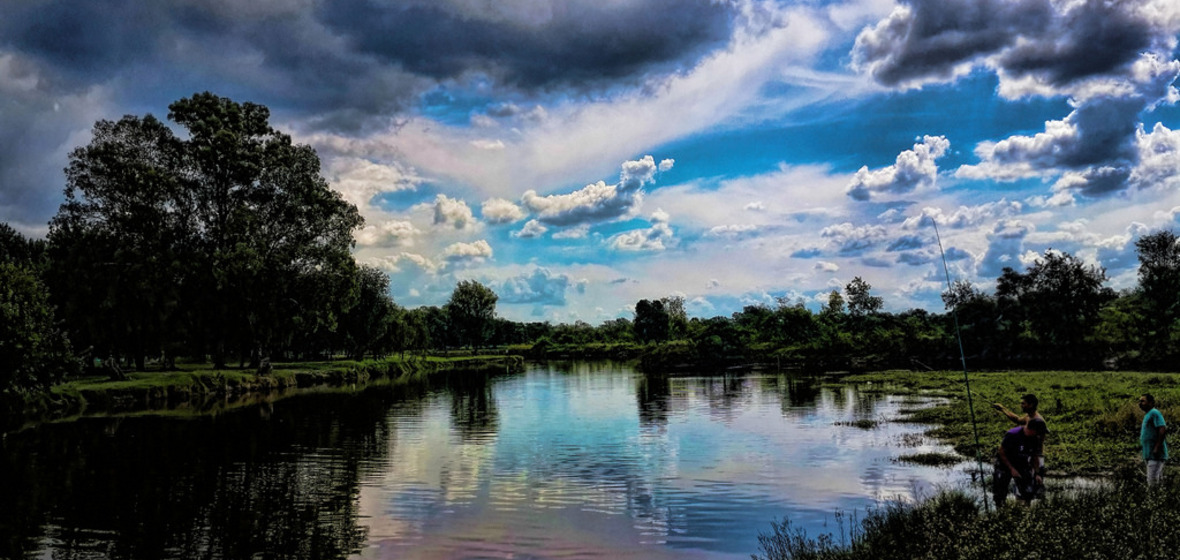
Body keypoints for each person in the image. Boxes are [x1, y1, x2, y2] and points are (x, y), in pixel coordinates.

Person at [993, 417, 1048, 507]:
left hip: (1021, 463)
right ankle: (1001, 511)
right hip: (1005, 464)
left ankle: (1024, 509)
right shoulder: (1012, 434)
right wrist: (1011, 469)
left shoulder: (1034, 439)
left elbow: (1034, 457)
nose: (1041, 435)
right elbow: (1001, 452)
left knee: (1027, 491)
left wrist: (1037, 473)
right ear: (1033, 430)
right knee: (1000, 493)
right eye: (1040, 432)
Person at [992, 394, 1047, 474]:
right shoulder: (1029, 416)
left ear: (1031, 405)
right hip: (1028, 452)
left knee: (1036, 480)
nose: (1021, 406)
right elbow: (1017, 419)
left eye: (1023, 403)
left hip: (1036, 455)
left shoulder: (1038, 421)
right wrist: (1002, 409)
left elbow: (1038, 443)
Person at [1139, 393, 1168, 486]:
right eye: (1140, 401)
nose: (1140, 403)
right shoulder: (1148, 414)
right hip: (1149, 454)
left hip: (1155, 454)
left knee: (1152, 482)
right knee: (1157, 481)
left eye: (1143, 401)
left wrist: (1157, 447)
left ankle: (1154, 498)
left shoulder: (1154, 413)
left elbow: (1162, 429)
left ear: (1151, 403)